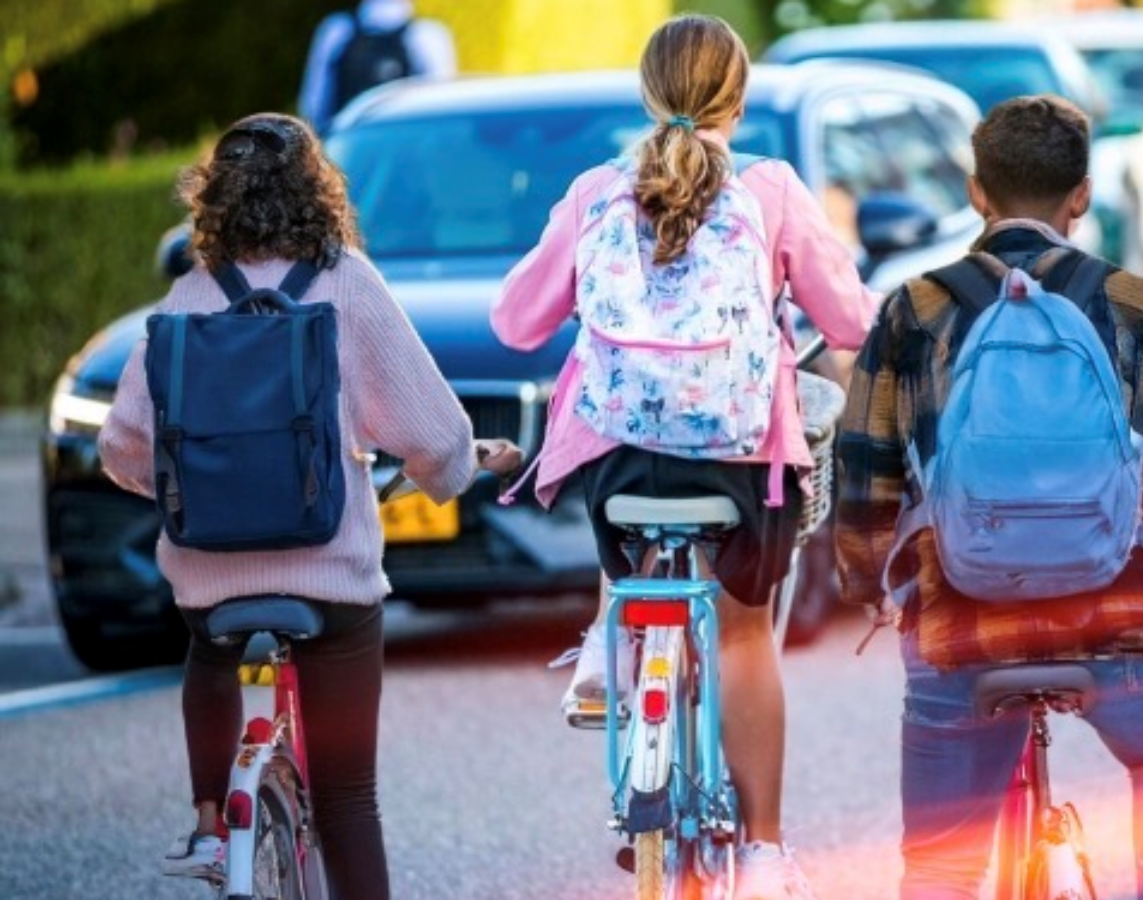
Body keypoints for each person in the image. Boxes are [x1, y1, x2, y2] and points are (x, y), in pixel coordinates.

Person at [490, 14, 876, 900]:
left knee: (627, 556)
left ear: (646, 94)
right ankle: (769, 853)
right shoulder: (771, 189)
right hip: (740, 462)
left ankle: (608, 639)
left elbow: (514, 323)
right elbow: (850, 322)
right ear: (737, 101)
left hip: (619, 466)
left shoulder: (597, 189)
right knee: (743, 635)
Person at [97, 113, 521, 900]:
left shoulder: (187, 298)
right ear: (316, 191)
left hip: (208, 573)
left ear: (212, 198)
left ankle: (207, 819)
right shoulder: (347, 284)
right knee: (348, 796)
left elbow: (123, 446)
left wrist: (182, 484)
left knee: (210, 648)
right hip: (332, 579)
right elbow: (431, 434)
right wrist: (457, 471)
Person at [835, 94, 1143, 899]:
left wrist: (867, 584)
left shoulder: (914, 311)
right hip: (1116, 622)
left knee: (942, 867)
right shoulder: (1133, 304)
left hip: (963, 634)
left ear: (976, 193)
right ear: (1082, 195)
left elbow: (865, 476)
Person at [298, 0, 457, 131]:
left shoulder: (336, 30)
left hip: (347, 149)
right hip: (406, 148)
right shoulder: (428, 35)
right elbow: (439, 112)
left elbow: (314, 107)